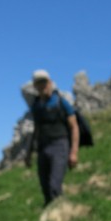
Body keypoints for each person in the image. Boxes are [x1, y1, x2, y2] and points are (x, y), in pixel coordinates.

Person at [24, 70, 80, 207]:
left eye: (44, 82)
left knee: (55, 185)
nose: (42, 86)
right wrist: (29, 153)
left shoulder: (61, 102)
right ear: (35, 86)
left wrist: (73, 152)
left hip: (60, 145)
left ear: (49, 83)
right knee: (45, 188)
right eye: (38, 83)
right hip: (43, 148)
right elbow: (35, 130)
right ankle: (51, 219)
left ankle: (61, 216)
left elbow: (74, 126)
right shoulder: (36, 106)